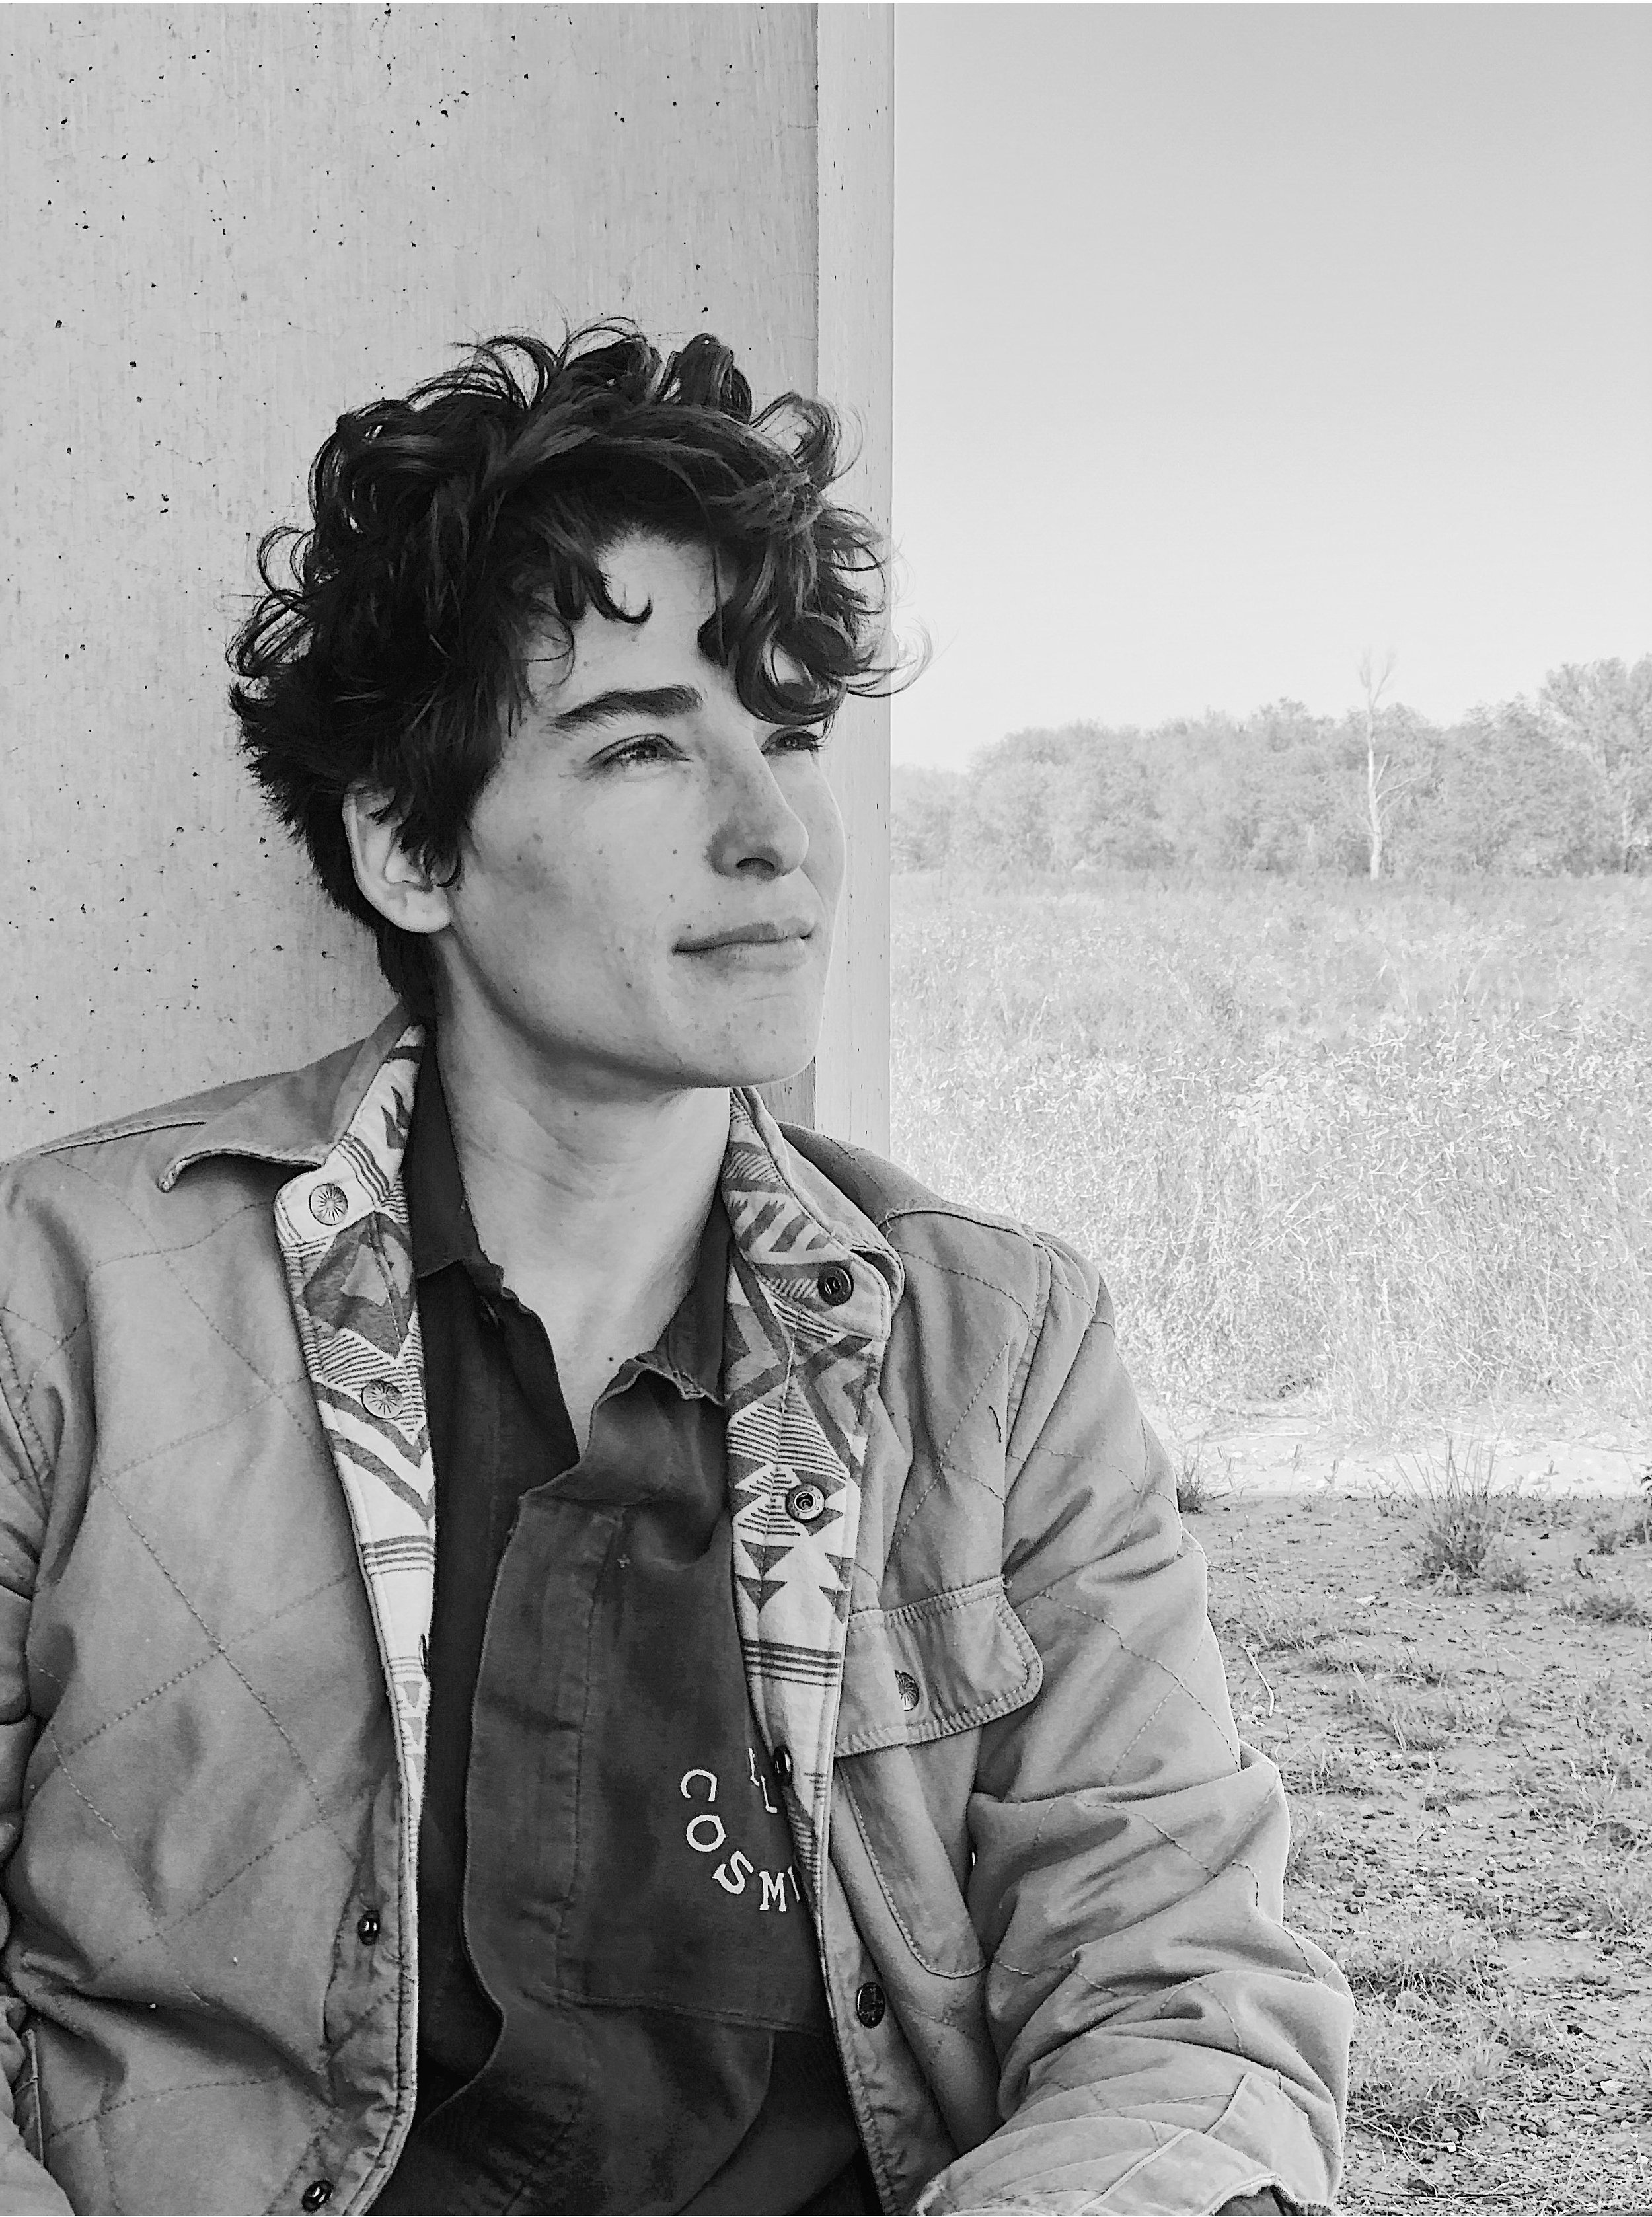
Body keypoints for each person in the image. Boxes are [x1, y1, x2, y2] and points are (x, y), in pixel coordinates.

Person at [0, 324, 1353, 2216]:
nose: (774, 828)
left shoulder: (1002, 1344)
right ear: (411, 842)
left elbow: (1180, 1993)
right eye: (644, 743)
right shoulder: (64, 1297)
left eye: (788, 733)